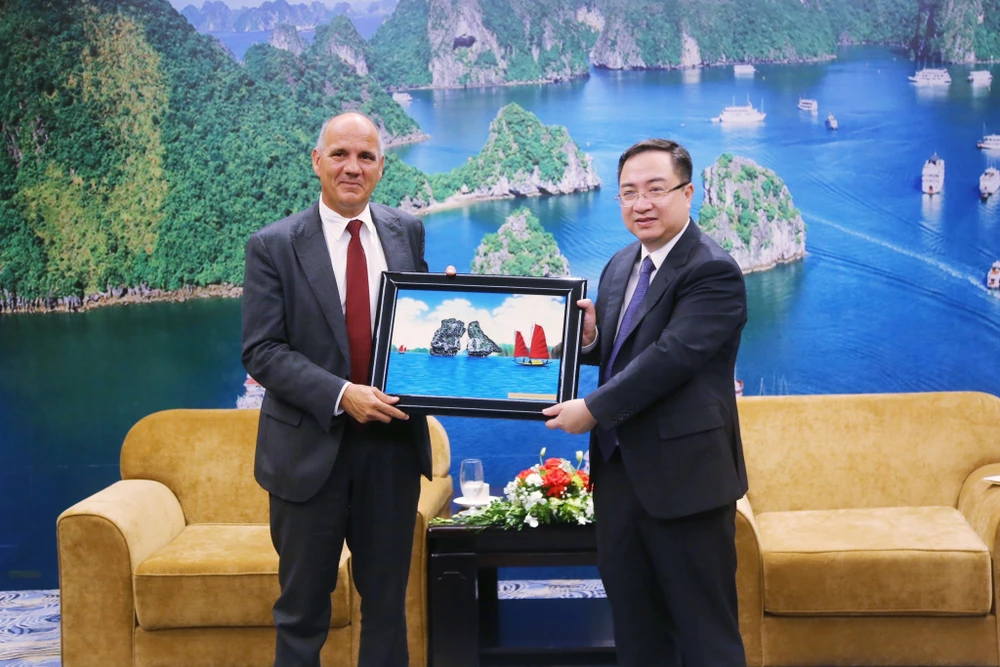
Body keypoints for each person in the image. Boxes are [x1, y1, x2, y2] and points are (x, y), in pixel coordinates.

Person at [543, 138, 749, 666]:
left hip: (688, 484)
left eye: (657, 190)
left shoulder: (712, 271)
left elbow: (670, 358)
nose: (642, 204)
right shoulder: (619, 265)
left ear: (688, 193)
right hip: (619, 480)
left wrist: (589, 409)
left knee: (707, 636)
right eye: (629, 193)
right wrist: (588, 341)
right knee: (636, 634)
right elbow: (614, 354)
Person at [241, 111, 431, 667]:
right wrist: (341, 393)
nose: (353, 167)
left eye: (366, 157)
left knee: (388, 609)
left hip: (390, 452)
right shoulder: (273, 245)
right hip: (307, 453)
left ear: (380, 166)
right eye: (341, 155)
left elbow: (406, 330)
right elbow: (263, 351)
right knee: (301, 611)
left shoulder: (406, 231)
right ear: (317, 161)